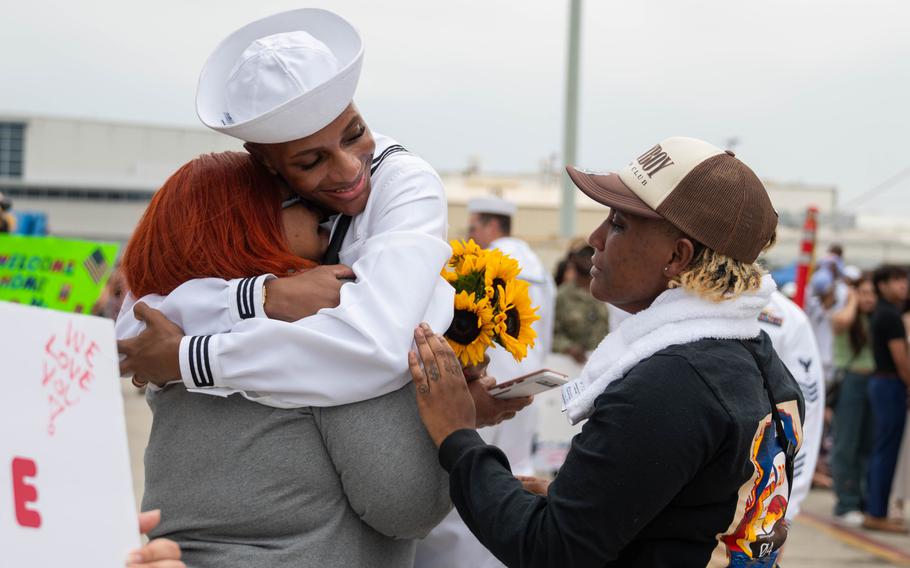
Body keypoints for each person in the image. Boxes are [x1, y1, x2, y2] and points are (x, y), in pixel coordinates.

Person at [409, 137, 805, 567]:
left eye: (618, 224)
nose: (595, 238)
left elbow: (548, 550)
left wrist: (457, 435)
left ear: (677, 255)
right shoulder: (760, 360)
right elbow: (696, 514)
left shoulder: (671, 385)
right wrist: (589, 502)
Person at [118, 151, 453, 567]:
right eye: (298, 198)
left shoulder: (173, 334)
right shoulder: (327, 336)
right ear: (247, 224)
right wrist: (454, 420)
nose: (326, 210)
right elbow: (406, 503)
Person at [414, 196, 556, 568]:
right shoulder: (537, 266)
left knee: (468, 483)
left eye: (475, 226)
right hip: (526, 384)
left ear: (492, 227)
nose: (471, 234)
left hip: (484, 386)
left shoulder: (496, 266)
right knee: (511, 476)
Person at [757, 290, 825, 523]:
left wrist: (789, 503)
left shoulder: (787, 317)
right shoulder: (673, 296)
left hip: (759, 473)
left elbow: (807, 408)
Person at [828, 273, 877, 526]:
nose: (870, 298)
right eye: (865, 292)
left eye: (873, 293)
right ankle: (845, 503)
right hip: (851, 382)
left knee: (867, 445)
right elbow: (840, 322)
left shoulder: (877, 319)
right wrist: (853, 301)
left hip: (874, 383)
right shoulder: (846, 315)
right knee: (846, 444)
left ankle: (861, 499)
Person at [864, 264, 910, 532]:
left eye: (904, 280)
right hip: (890, 383)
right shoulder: (890, 315)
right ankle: (876, 512)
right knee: (886, 450)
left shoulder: (883, 312)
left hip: (882, 383)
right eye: (897, 281)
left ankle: (874, 508)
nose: (903, 285)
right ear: (882, 285)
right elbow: (901, 360)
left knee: (882, 448)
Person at [552, 245, 610, 364]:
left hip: (603, 362)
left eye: (591, 254)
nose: (587, 258)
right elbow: (552, 334)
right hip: (572, 366)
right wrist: (569, 348)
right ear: (573, 259)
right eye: (582, 255)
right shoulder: (562, 295)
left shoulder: (605, 291)